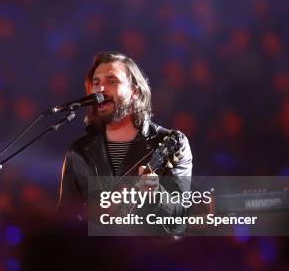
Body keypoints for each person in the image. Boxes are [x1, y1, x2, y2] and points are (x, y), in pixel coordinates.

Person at [57, 51, 193, 229]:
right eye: (96, 83)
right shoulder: (79, 152)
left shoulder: (172, 143)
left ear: (135, 92)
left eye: (111, 81)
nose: (100, 89)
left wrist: (158, 195)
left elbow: (180, 220)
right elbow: (64, 221)